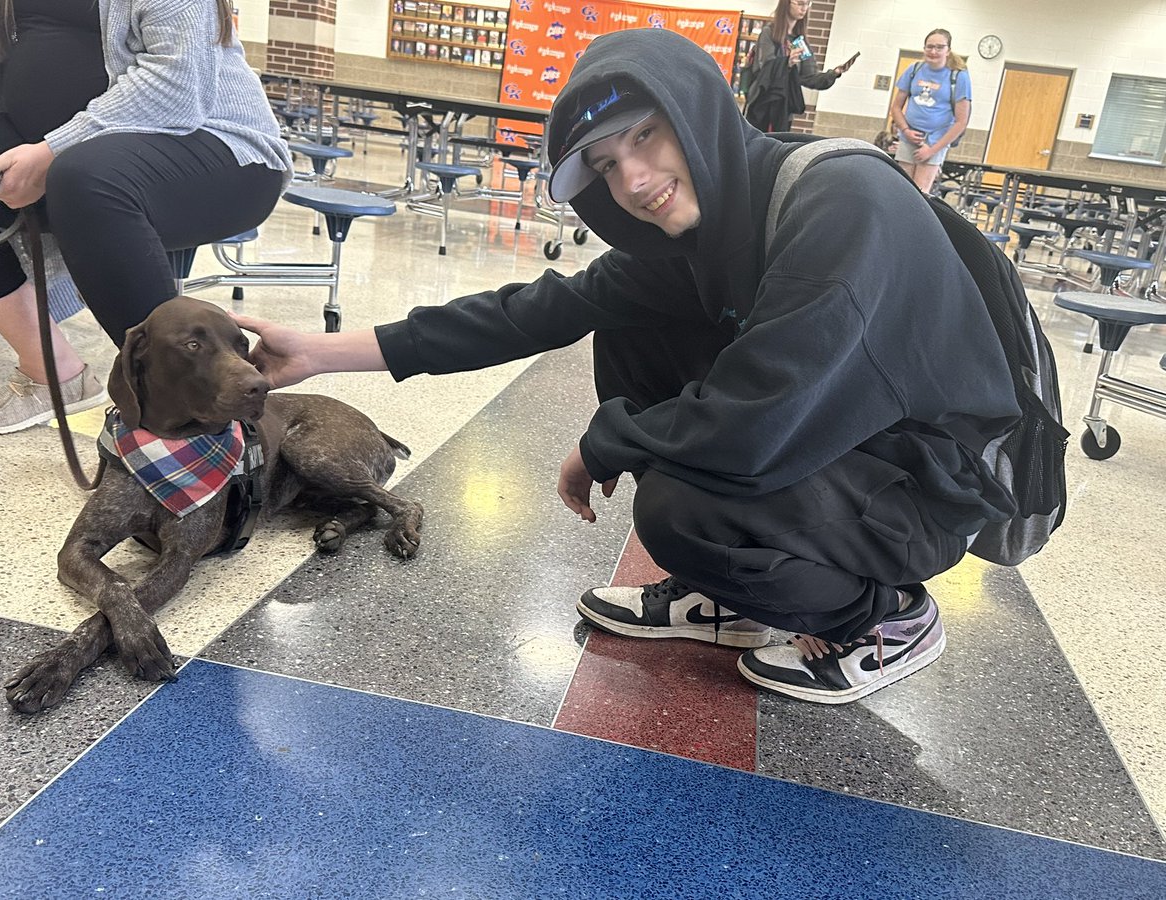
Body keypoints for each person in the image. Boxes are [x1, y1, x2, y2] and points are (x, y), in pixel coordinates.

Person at [233, 28, 1021, 705]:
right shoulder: (700, 235)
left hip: (932, 482)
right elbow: (532, 311)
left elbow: (753, 424)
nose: (633, 181)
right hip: (851, 448)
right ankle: (736, 602)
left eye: (646, 136)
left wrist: (607, 441)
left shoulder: (841, 204)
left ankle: (885, 616)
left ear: (698, 112)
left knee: (683, 510)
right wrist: (320, 353)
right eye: (607, 165)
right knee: (628, 329)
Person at [0, 0, 292, 436]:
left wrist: (52, 150)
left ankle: (187, 425)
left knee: (85, 177)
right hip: (65, 147)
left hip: (217, 145)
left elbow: (176, 87)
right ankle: (53, 372)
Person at [743, 0, 856, 134]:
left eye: (807, 4)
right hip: (763, 106)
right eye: (800, 3)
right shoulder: (769, 33)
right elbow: (765, 67)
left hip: (784, 108)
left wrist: (834, 73)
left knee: (778, 146)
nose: (804, 8)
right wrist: (787, 62)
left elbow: (809, 76)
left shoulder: (799, 41)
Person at [889, 29, 971, 194]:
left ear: (948, 50)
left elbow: (961, 121)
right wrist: (905, 130)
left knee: (920, 192)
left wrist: (932, 149)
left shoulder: (958, 77)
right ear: (924, 48)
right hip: (908, 137)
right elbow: (896, 107)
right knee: (900, 190)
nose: (933, 51)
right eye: (930, 47)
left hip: (934, 141)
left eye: (939, 47)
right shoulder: (914, 69)